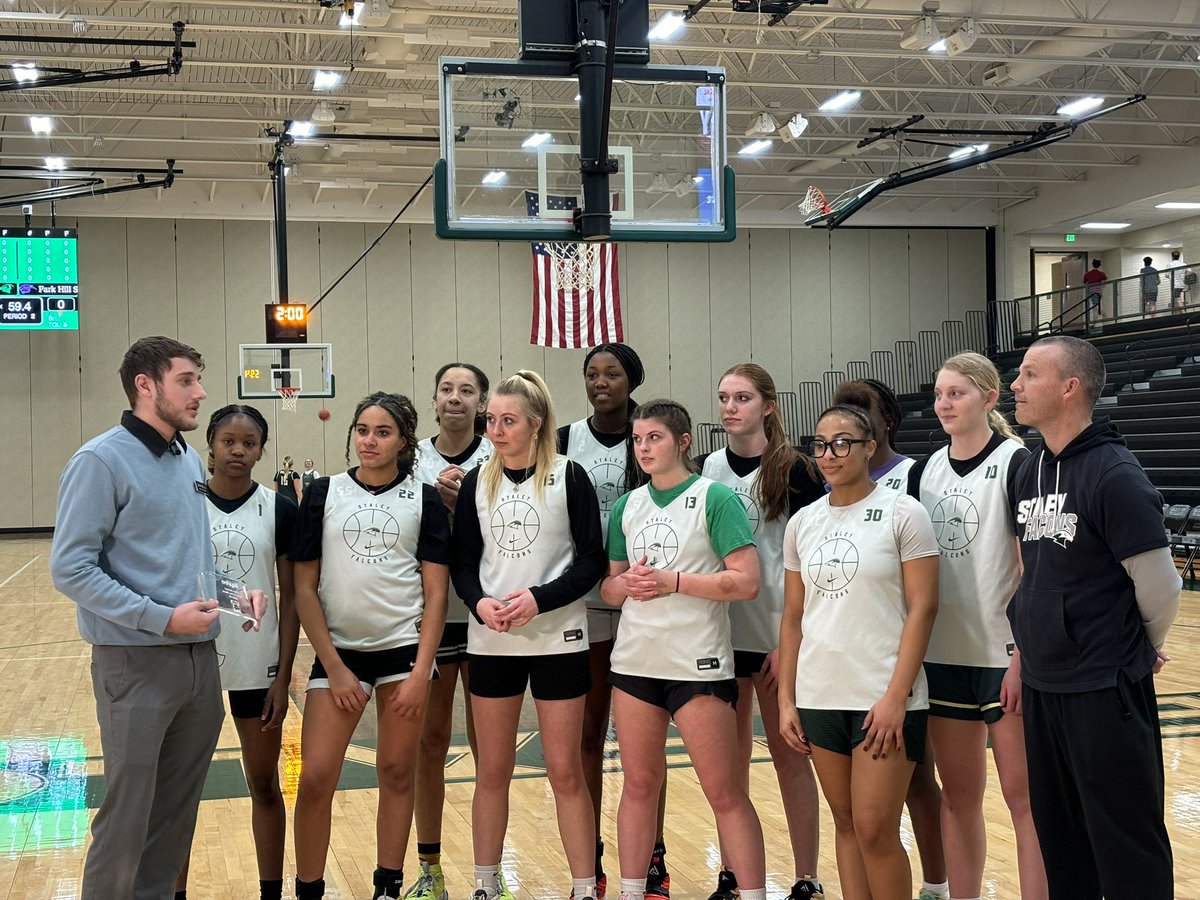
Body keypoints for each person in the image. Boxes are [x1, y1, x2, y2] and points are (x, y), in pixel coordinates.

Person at [49, 336, 267, 900]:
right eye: (187, 380)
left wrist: (235, 595)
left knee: (174, 820)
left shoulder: (188, 459)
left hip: (199, 665)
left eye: (198, 379)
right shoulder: (100, 460)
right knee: (126, 821)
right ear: (146, 386)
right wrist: (160, 619)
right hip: (135, 664)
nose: (200, 393)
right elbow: (71, 569)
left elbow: (188, 565)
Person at [1009, 335, 1180, 898]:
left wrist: (1137, 647)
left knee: (1125, 844)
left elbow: (1160, 583)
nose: (1016, 384)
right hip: (1043, 684)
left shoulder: (1115, 475)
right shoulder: (1028, 470)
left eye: (1031, 374)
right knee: (1062, 843)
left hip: (1103, 687)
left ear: (1069, 387)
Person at [600, 399, 767, 900]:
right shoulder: (628, 506)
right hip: (635, 663)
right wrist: (626, 584)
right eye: (637, 439)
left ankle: (753, 892)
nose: (644, 447)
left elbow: (746, 582)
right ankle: (633, 892)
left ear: (683, 442)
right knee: (638, 786)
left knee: (724, 792)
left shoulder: (714, 498)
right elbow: (609, 590)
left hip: (698, 662)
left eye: (655, 437)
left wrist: (674, 581)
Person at [451, 371, 607, 900]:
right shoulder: (477, 481)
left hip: (558, 638)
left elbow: (591, 562)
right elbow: (464, 564)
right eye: (490, 420)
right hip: (492, 641)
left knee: (565, 771)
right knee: (492, 770)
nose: (495, 430)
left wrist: (540, 599)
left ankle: (584, 885)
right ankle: (485, 883)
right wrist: (479, 602)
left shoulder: (570, 477)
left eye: (507, 421)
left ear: (536, 425)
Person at [289, 392, 451, 900]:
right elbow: (303, 589)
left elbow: (436, 592)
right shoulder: (322, 493)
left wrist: (423, 671)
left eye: (382, 432)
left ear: (404, 440)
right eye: (362, 430)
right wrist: (334, 668)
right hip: (340, 656)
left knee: (397, 771)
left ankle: (388, 885)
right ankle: (309, 889)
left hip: (404, 652)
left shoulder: (424, 499)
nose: (369, 440)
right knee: (315, 777)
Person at [778, 403, 939, 900]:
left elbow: (924, 608)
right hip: (820, 693)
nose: (830, 453)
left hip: (883, 698)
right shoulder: (802, 523)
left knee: (875, 829)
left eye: (843, 442)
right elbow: (792, 617)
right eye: (821, 444)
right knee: (846, 825)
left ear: (870, 447)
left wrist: (896, 696)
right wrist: (787, 699)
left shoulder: (903, 512)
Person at [907, 354, 1047, 900]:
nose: (944, 403)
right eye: (940, 393)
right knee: (958, 797)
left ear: (989, 399)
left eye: (957, 393)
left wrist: (1021, 656)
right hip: (943, 656)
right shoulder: (925, 471)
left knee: (1025, 799)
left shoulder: (1018, 464)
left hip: (1004, 656)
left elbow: (1036, 568)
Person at [699, 365, 824, 900]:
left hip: (777, 639)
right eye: (724, 398)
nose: (730, 407)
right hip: (722, 636)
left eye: (743, 398)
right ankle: (733, 875)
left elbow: (816, 561)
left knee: (789, 758)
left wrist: (789, 641)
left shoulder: (796, 470)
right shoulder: (707, 467)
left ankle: (806, 878)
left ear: (767, 406)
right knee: (729, 768)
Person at [176, 404, 301, 900]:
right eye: (228, 441)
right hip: (193, 661)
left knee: (265, 785)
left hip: (257, 666)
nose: (238, 450)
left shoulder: (279, 508)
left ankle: (271, 891)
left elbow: (293, 597)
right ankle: (176, 892)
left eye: (249, 443)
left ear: (261, 451)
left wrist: (283, 676)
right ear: (210, 442)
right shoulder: (185, 503)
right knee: (180, 794)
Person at [558, 343, 667, 900]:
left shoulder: (651, 434)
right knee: (588, 734)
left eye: (613, 373)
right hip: (587, 600)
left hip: (644, 599)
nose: (601, 382)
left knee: (643, 745)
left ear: (633, 379)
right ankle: (592, 859)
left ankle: (652, 856)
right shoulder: (564, 440)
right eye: (592, 374)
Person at [832, 379, 947, 900]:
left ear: (886, 425)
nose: (850, 415)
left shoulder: (913, 480)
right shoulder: (830, 490)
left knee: (920, 779)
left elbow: (925, 587)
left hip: (915, 650)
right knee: (860, 816)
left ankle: (936, 884)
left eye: (862, 409)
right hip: (853, 658)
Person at [410, 362, 494, 900]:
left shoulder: (501, 452)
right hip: (431, 617)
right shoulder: (410, 455)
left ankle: (489, 873)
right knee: (431, 742)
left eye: (467, 390)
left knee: (491, 747)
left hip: (487, 612)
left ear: (482, 401)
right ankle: (430, 870)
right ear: (435, 399)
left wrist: (468, 505)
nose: (455, 398)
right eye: (447, 389)